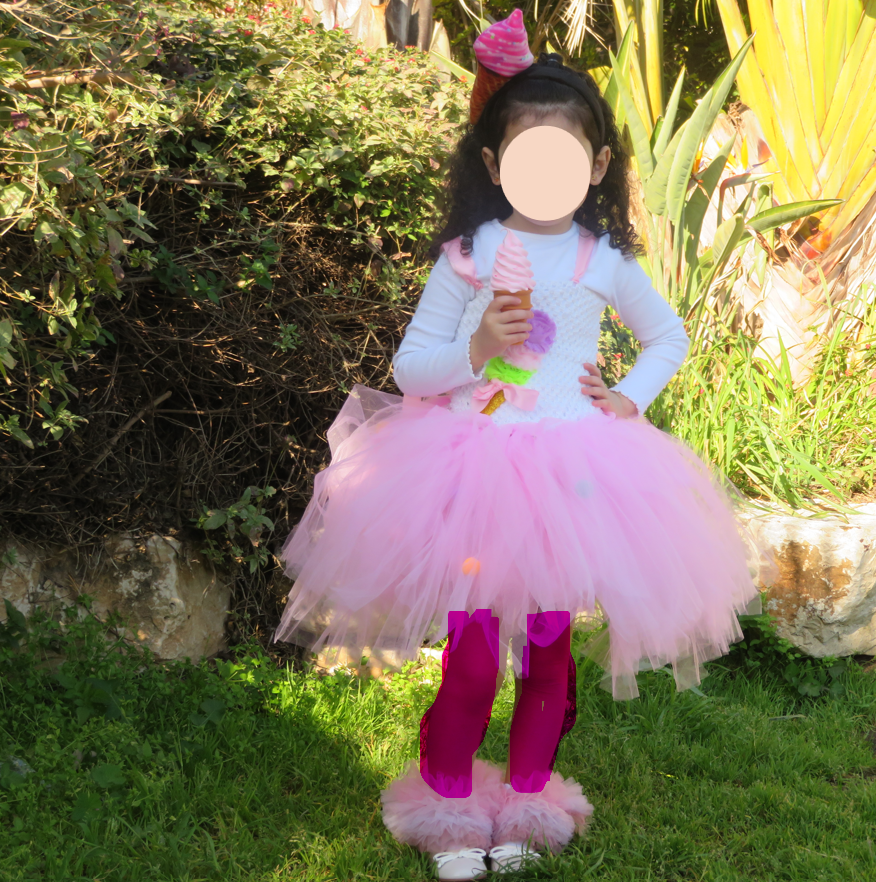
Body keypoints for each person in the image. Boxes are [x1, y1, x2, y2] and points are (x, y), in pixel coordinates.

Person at [271, 9, 765, 880]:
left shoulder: (599, 261)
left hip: (573, 480)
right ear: (495, 164)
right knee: (469, 664)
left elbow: (666, 337)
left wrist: (627, 398)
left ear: (597, 166)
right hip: (472, 476)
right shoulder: (469, 256)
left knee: (547, 657)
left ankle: (531, 803)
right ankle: (447, 804)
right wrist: (476, 350)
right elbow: (411, 368)